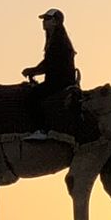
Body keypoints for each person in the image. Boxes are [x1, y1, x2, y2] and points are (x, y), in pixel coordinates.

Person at [21, 7, 78, 139]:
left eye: (47, 19)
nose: (44, 22)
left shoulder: (59, 42)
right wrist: (34, 71)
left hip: (59, 82)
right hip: (58, 80)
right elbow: (48, 62)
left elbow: (51, 63)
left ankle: (42, 130)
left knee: (32, 98)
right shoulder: (54, 40)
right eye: (44, 19)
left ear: (56, 21)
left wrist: (34, 70)